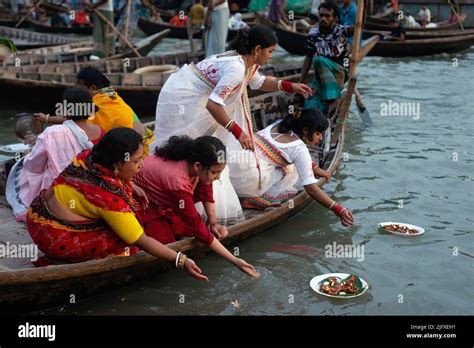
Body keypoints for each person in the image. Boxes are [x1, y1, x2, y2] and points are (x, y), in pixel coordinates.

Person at [152, 24, 312, 226]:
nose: (271, 56)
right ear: (257, 50)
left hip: (195, 94)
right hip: (183, 98)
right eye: (270, 51)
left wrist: (290, 86)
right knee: (194, 147)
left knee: (206, 148)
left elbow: (258, 82)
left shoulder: (246, 63)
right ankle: (182, 200)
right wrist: (238, 132)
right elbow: (213, 104)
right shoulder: (236, 69)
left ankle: (188, 196)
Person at [25, 128, 208, 280]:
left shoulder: (88, 156)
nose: (142, 165)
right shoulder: (109, 198)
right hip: (55, 238)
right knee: (124, 239)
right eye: (136, 161)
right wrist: (181, 260)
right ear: (117, 164)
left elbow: (111, 178)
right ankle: (68, 257)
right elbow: (142, 240)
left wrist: (132, 184)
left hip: (36, 214)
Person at [134, 135, 260, 277]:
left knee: (191, 231)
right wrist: (235, 260)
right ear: (198, 166)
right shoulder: (177, 180)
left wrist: (213, 222)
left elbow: (205, 188)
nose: (218, 177)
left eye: (220, 172)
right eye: (214, 172)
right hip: (143, 205)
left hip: (165, 201)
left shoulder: (193, 162)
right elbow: (195, 225)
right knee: (165, 247)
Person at [232, 108, 354, 227]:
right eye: (318, 133)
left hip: (233, 163)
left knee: (288, 165)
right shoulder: (300, 148)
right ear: (305, 131)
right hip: (246, 180)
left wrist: (315, 168)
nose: (321, 138)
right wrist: (338, 209)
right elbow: (311, 188)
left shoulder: (279, 124)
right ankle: (254, 198)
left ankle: (250, 193)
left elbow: (284, 151)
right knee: (290, 172)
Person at [6, 88, 104, 222]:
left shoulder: (52, 133)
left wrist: (29, 154)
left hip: (58, 193)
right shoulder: (101, 132)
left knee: (21, 165)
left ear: (66, 110)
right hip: (90, 190)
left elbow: (34, 165)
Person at [299, 1, 354, 116]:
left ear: (335, 19)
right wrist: (300, 81)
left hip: (340, 73)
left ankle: (334, 98)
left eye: (327, 16)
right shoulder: (313, 33)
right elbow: (308, 57)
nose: (323, 18)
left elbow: (359, 26)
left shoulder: (341, 30)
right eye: (321, 15)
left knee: (318, 60)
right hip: (322, 75)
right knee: (310, 101)